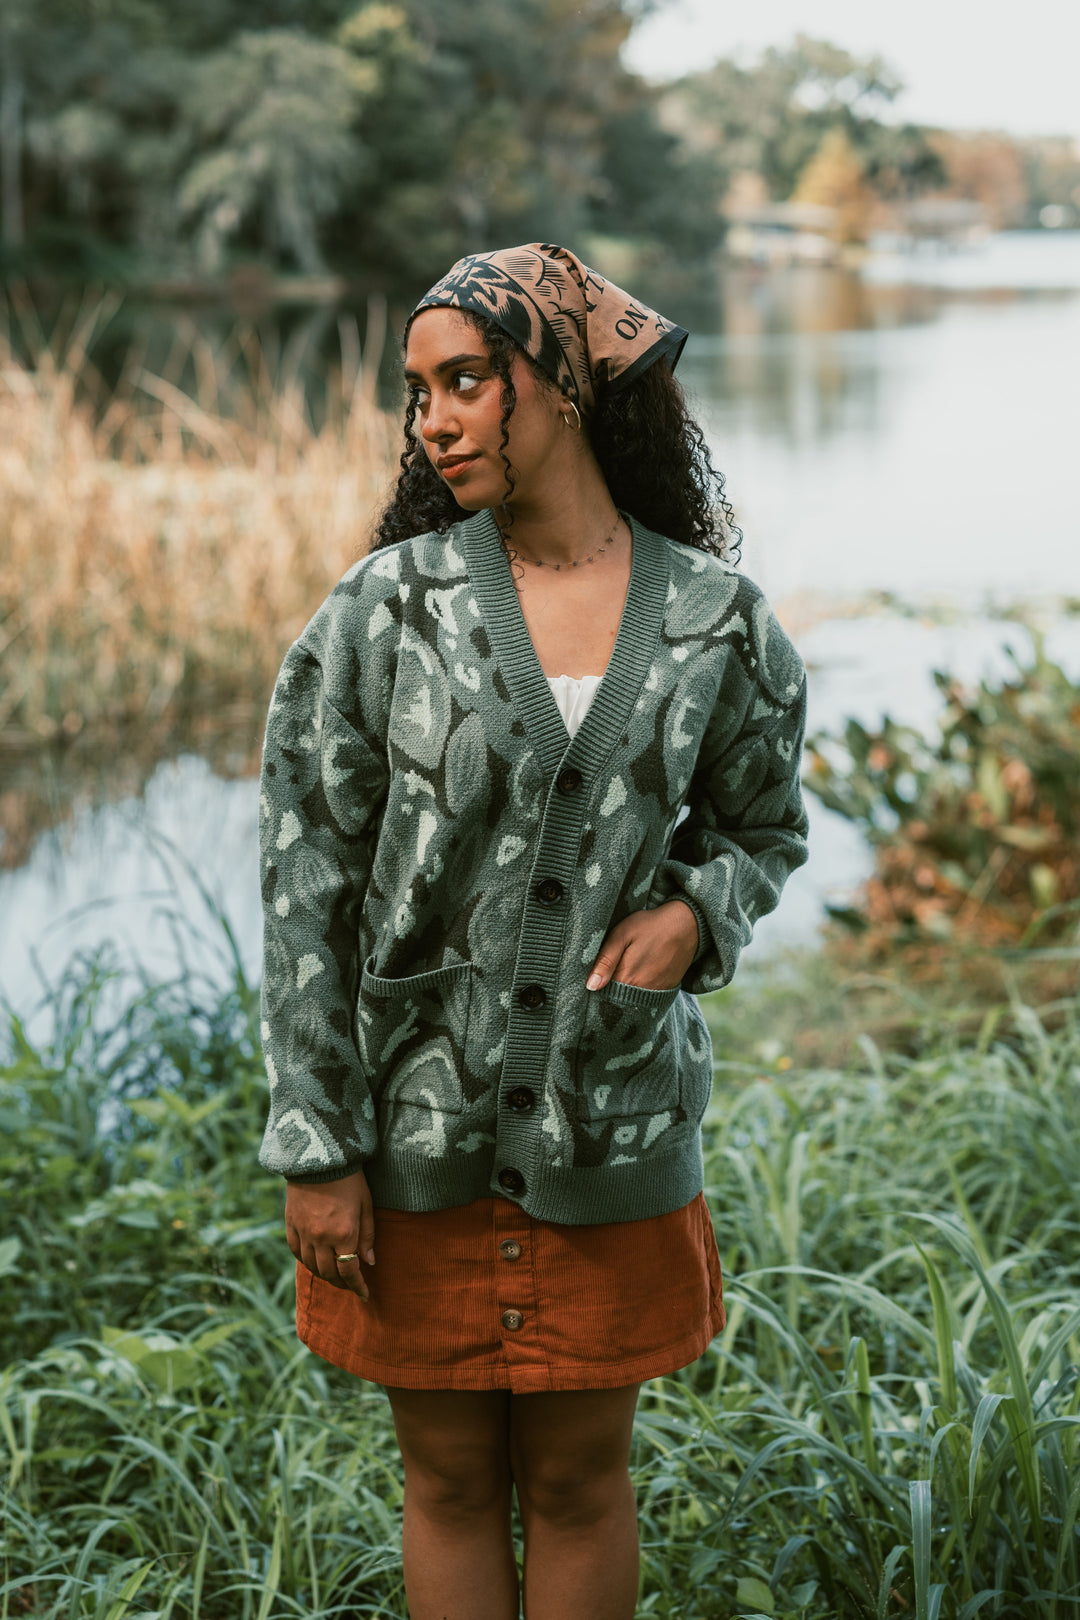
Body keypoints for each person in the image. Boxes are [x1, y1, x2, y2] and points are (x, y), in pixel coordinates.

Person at [257, 242, 810, 1620]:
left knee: (579, 1483)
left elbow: (764, 832)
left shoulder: (714, 622)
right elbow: (304, 884)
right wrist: (315, 1140)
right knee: (443, 1483)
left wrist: (697, 912)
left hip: (609, 1126)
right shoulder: (381, 614)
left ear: (562, 381)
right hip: (411, 1142)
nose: (431, 419)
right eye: (417, 391)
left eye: (464, 381)